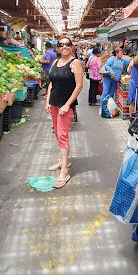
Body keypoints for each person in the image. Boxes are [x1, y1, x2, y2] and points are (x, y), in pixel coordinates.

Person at [45, 37, 83, 188]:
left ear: (72, 47)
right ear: (58, 47)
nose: (65, 46)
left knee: (63, 134)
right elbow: (51, 84)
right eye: (62, 44)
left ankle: (65, 172)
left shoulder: (75, 63)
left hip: (65, 106)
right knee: (58, 133)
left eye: (68, 44)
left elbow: (79, 86)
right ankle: (63, 161)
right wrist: (48, 101)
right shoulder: (55, 62)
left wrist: (67, 105)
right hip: (54, 103)